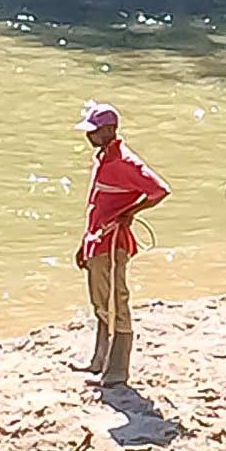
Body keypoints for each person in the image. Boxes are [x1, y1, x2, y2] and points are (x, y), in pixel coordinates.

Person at [72, 102, 170, 387]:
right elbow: (96, 206)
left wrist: (130, 212)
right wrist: (84, 245)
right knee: (99, 301)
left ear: (110, 131)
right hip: (96, 241)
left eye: (95, 132)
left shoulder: (125, 162)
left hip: (112, 243)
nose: (89, 137)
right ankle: (98, 361)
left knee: (116, 302)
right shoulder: (103, 158)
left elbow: (158, 190)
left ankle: (116, 371)